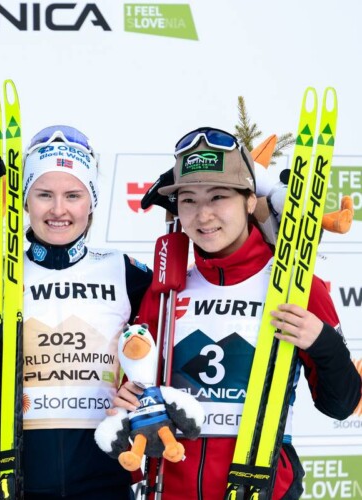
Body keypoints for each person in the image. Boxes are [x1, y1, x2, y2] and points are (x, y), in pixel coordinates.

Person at [111, 127, 362, 499]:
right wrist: (128, 399)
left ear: (249, 200)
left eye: (218, 196)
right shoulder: (165, 292)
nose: (203, 214)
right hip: (170, 489)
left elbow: (341, 405)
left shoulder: (295, 286)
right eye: (189, 200)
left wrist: (322, 342)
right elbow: (137, 387)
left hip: (263, 486)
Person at [21, 125, 153, 499]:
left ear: (91, 201)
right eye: (44, 194)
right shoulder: (0, 278)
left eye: (73, 195)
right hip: (20, 477)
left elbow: (157, 357)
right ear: (27, 199)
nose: (58, 209)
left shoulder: (127, 272)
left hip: (105, 476)